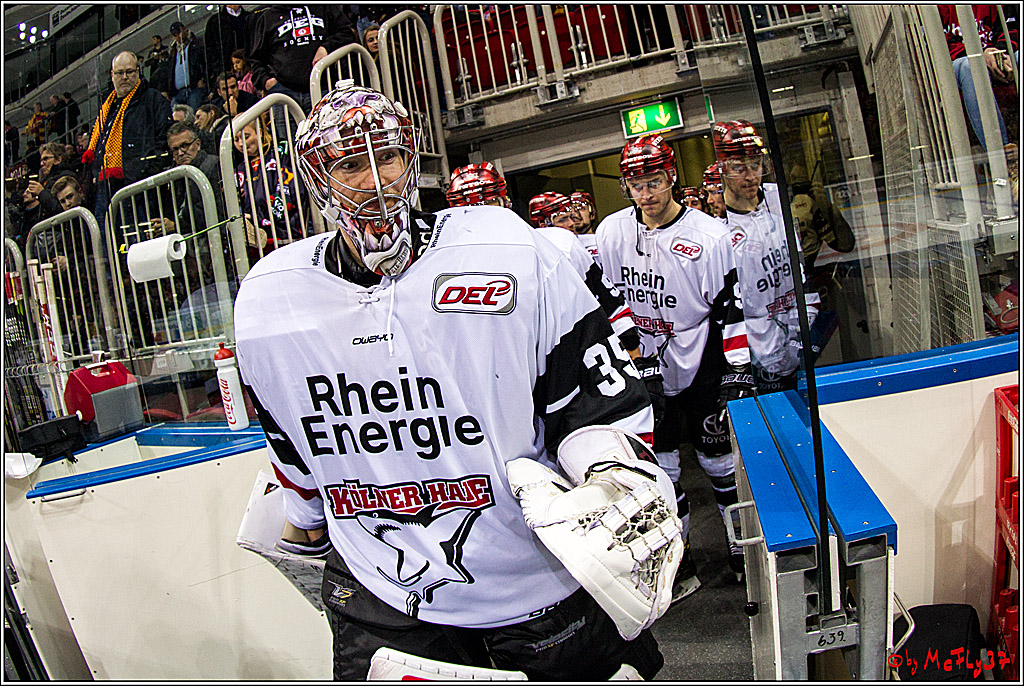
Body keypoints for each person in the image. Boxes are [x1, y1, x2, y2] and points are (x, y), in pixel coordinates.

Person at [233, 82, 669, 681]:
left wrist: (610, 473)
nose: (376, 181)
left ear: (411, 155)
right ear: (316, 174)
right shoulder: (269, 300)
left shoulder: (508, 247)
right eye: (351, 163)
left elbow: (587, 397)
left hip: (535, 578)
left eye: (385, 155)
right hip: (386, 599)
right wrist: (303, 523)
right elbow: (293, 440)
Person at [596, 133, 755, 597]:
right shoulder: (612, 231)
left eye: (655, 181)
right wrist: (634, 353)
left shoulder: (710, 235)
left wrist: (736, 367)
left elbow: (731, 304)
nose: (646, 194)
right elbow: (609, 294)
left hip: (700, 352)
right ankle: (676, 562)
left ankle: (740, 552)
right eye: (636, 184)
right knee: (660, 468)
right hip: (645, 359)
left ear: (671, 178)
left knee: (718, 463)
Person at [447, 163, 646, 370]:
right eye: (469, 212)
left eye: (490, 205)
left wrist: (636, 357)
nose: (484, 221)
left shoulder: (560, 245)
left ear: (506, 203)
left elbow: (609, 302)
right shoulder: (445, 268)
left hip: (568, 369)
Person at [713, 120, 820, 394]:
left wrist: (805, 327)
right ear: (723, 170)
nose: (750, 176)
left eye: (755, 164)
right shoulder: (717, 230)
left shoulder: (778, 197)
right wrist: (740, 366)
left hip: (800, 338)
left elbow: (798, 269)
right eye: (738, 168)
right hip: (758, 357)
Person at [82, 51, 171, 231]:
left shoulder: (153, 100)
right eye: (119, 73)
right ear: (112, 75)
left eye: (129, 72)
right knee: (109, 248)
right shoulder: (107, 108)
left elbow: (163, 142)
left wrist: (142, 174)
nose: (124, 77)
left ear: (138, 72)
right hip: (106, 190)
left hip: (139, 190)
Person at [247, 5, 358, 113]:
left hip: (324, 88)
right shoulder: (268, 17)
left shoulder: (324, 7)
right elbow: (256, 58)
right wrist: (267, 82)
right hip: (283, 92)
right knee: (287, 132)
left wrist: (326, 48)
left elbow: (347, 33)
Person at [233, 117, 307, 246]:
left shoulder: (281, 153)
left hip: (287, 237)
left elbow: (288, 196)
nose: (241, 144)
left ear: (260, 133)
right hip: (256, 245)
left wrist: (253, 218)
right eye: (236, 140)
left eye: (246, 136)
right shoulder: (239, 169)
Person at [167, 21, 208, 111]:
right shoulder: (173, 50)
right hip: (178, 91)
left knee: (194, 112)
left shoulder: (196, 43)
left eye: (179, 33)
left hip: (194, 88)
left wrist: (204, 79)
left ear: (185, 29)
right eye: (174, 35)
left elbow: (205, 62)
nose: (178, 36)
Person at [204, 4, 250, 76]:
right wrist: (220, 71)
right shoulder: (215, 22)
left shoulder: (249, 17)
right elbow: (210, 51)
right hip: (228, 74)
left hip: (249, 70)